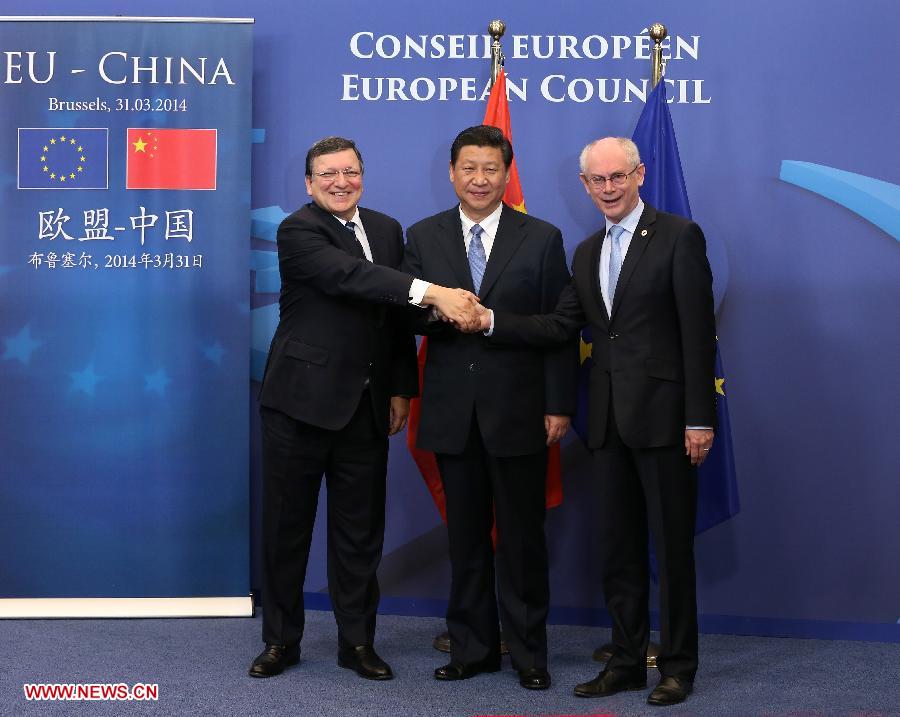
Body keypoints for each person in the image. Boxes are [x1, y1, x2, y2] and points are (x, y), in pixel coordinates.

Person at [478, 137, 716, 706]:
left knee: (672, 552)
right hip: (606, 425)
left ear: (639, 175)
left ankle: (678, 667)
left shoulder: (680, 236)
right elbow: (561, 326)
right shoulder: (585, 252)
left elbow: (696, 335)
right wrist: (489, 320)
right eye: (597, 181)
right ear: (585, 186)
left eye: (618, 177)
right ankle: (627, 660)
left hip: (667, 422)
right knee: (619, 550)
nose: (608, 189)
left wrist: (698, 419)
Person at [251, 136, 481, 680]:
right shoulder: (298, 230)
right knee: (287, 530)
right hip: (298, 407)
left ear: (362, 175)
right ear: (309, 184)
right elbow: (350, 278)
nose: (339, 182)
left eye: (349, 172)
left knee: (360, 535)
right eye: (327, 174)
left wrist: (403, 386)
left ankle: (357, 644)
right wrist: (436, 293)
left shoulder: (385, 229)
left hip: (366, 407)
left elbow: (393, 316)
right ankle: (281, 641)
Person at [402, 125, 578, 691]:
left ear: (507, 174)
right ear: (451, 173)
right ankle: (472, 648)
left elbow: (560, 326)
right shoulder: (423, 236)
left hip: (521, 412)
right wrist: (441, 313)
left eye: (491, 169)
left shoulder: (542, 237)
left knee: (523, 541)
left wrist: (557, 403)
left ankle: (530, 655)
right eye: (469, 168)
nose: (480, 179)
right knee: (466, 540)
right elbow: (402, 318)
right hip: (451, 412)